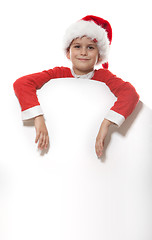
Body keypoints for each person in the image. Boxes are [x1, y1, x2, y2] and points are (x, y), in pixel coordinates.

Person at [13, 15, 139, 158]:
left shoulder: (105, 77)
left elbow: (130, 94)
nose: (83, 52)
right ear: (68, 52)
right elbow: (22, 83)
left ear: (100, 54)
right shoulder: (58, 73)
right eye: (77, 46)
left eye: (90, 47)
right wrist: (38, 117)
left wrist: (106, 123)